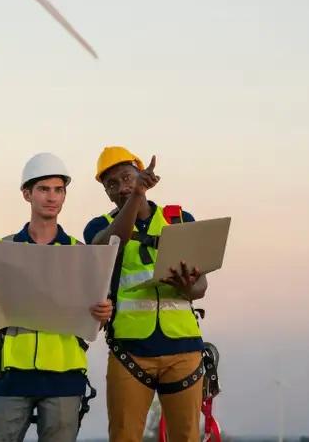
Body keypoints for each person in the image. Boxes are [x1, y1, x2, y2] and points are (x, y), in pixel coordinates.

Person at [0, 152, 113, 442]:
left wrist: (102, 315)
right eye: (43, 189)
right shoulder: (3, 250)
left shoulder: (81, 254)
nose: (52, 197)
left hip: (65, 377)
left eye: (58, 190)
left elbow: (94, 327)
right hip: (13, 375)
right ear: (27, 194)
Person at [83, 146, 209, 442]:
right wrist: (137, 195)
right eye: (111, 184)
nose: (122, 187)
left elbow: (201, 289)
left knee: (187, 437)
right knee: (124, 436)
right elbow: (111, 243)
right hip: (130, 352)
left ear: (142, 174)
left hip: (184, 350)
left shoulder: (178, 220)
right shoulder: (99, 227)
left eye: (127, 177)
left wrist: (186, 285)